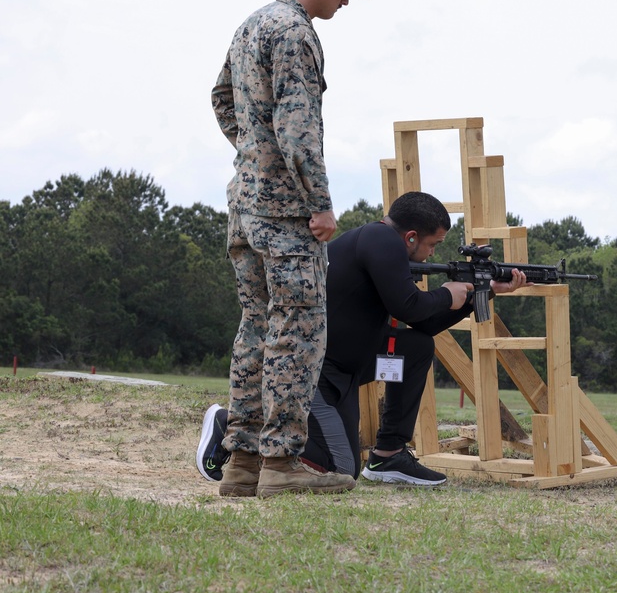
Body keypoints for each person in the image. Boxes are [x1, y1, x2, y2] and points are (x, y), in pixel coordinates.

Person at [198, 192, 528, 487]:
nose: (430, 255)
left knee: (414, 349)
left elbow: (424, 325)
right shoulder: (380, 238)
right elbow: (409, 307)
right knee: (342, 467)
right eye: (432, 244)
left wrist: (475, 298)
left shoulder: (384, 244)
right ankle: (233, 426)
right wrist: (447, 294)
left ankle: (389, 454)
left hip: (354, 370)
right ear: (411, 237)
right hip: (315, 376)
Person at [208, 0, 373, 499]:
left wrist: (254, 155)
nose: (346, 1)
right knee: (297, 334)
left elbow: (222, 99)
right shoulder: (296, 33)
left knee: (255, 330)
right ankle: (281, 463)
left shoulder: (250, 25)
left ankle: (241, 464)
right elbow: (299, 129)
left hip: (244, 209)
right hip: (285, 216)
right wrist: (318, 203)